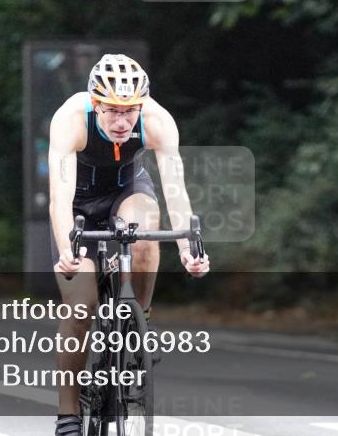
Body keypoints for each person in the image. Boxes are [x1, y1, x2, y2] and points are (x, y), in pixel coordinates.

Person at [47, 54, 209, 435]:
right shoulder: (71, 119)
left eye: (130, 111)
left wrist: (189, 246)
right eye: (113, 112)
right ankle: (68, 414)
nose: (123, 122)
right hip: (77, 206)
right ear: (97, 104)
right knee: (81, 306)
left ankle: (140, 320)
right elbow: (59, 196)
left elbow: (175, 189)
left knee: (144, 231)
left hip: (127, 192)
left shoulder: (157, 121)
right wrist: (67, 249)